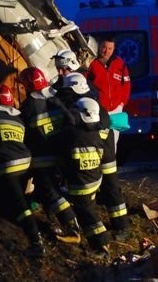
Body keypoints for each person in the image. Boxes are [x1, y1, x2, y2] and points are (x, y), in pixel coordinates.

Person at [59, 72, 129, 238]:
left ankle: (121, 227)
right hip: (101, 148)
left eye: (67, 90)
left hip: (103, 150)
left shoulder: (85, 105)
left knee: (111, 186)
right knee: (109, 186)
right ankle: (118, 226)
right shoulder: (88, 101)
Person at [18, 67, 80, 239]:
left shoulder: (29, 106)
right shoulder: (55, 100)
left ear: (30, 86)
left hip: (42, 157)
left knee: (50, 191)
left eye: (24, 86)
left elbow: (22, 131)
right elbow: (70, 121)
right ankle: (52, 217)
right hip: (61, 154)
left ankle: (71, 223)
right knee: (52, 188)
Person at [0, 84, 45, 257]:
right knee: (21, 197)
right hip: (26, 163)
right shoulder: (18, 118)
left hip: (8, 166)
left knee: (19, 206)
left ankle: (36, 242)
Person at [56, 97, 111, 258]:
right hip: (94, 179)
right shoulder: (96, 134)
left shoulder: (72, 134)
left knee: (88, 214)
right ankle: (92, 241)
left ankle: (102, 245)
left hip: (81, 183)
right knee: (87, 210)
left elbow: (64, 158)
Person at [86, 36, 131, 150]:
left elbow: (126, 84)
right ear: (99, 47)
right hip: (99, 108)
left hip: (116, 108)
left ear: (114, 49)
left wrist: (122, 102)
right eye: (104, 47)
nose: (106, 51)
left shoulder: (120, 64)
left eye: (110, 48)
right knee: (99, 138)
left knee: (113, 140)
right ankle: (99, 165)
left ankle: (112, 164)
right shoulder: (91, 63)